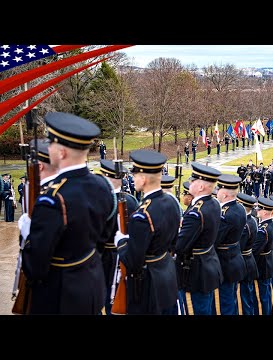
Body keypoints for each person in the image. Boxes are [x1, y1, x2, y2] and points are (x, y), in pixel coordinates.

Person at [19, 112, 116, 314]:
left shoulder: (52, 198)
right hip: (91, 283)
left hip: (61, 295)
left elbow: (35, 266)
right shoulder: (102, 185)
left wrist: (29, 234)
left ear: (61, 152)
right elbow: (103, 237)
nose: (49, 147)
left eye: (51, 143)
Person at [114, 150, 181, 314]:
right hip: (167, 273)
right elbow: (173, 242)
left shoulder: (142, 215)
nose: (133, 178)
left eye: (135, 174)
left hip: (149, 283)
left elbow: (133, 261)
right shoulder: (172, 202)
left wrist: (121, 242)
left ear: (143, 179)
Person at [175, 162, 223, 315]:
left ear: (201, 187)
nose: (190, 182)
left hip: (194, 272)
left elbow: (180, 246)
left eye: (193, 180)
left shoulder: (197, 212)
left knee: (193, 310)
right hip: (207, 264)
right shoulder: (214, 203)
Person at [99, 159, 139, 315]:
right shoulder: (132, 200)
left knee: (106, 296)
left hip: (104, 256)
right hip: (123, 254)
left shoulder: (101, 200)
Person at [213, 174, 247, 315]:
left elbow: (215, 240)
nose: (217, 192)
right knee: (230, 301)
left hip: (224, 262)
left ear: (225, 193)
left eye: (219, 189)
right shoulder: (240, 208)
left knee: (223, 305)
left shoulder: (225, 214)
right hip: (234, 259)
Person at [252, 197, 273, 315]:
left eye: (259, 209)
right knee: (266, 294)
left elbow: (255, 251)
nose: (257, 210)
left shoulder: (263, 230)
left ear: (265, 212)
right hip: (268, 262)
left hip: (261, 265)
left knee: (260, 297)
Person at [236, 192, 259, 315]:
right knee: (247, 296)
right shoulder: (253, 220)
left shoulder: (244, 225)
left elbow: (239, 247)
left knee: (242, 299)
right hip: (249, 260)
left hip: (243, 262)